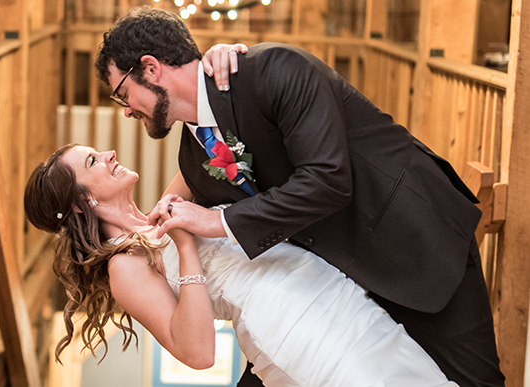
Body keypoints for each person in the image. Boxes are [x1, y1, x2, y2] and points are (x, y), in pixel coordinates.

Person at [93, 6, 504, 386]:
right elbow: (160, 220)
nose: (126, 110)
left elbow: (328, 180)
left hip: (411, 242)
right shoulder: (192, 152)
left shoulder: (274, 69)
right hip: (339, 289)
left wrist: (216, 222)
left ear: (150, 68)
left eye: (122, 93)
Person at [24, 143, 459, 386]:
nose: (110, 154)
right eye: (94, 161)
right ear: (86, 204)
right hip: (296, 331)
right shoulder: (125, 266)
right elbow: (196, 352)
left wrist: (222, 60)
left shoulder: (163, 209)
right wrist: (187, 244)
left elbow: (203, 143)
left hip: (337, 301)